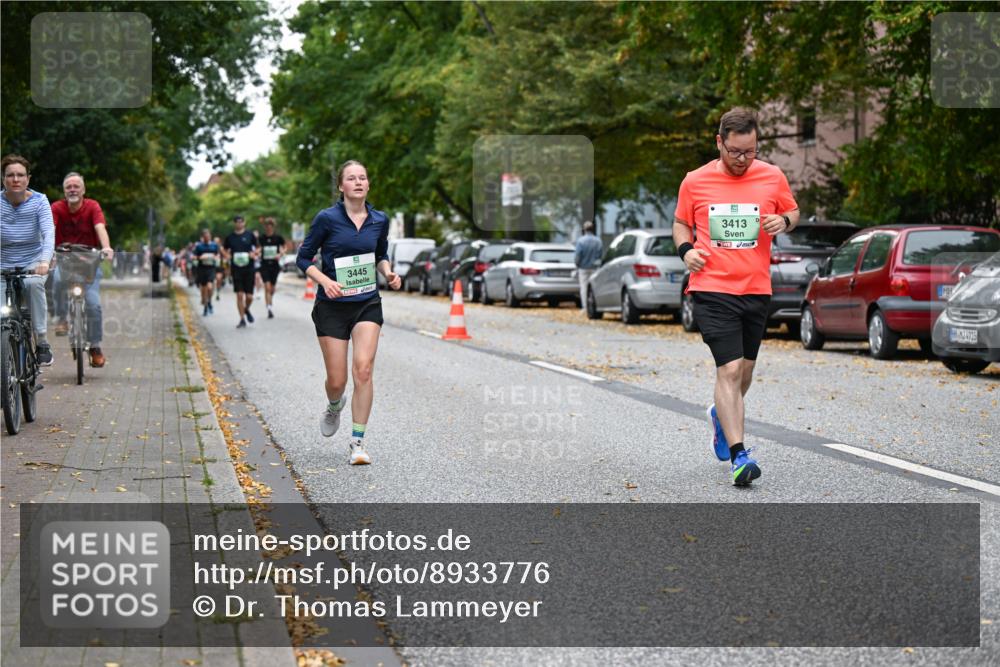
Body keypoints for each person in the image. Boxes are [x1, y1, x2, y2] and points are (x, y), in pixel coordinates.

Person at [673, 107, 799, 486]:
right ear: (720, 143)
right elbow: (681, 222)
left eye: (751, 152)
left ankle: (719, 415)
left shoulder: (772, 176)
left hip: (756, 288)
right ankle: (740, 457)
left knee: (744, 374)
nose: (743, 160)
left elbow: (792, 211)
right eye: (735, 152)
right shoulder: (695, 181)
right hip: (712, 288)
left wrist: (785, 221)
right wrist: (686, 251)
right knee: (728, 369)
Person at [296, 160, 401, 465]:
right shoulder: (326, 219)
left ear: (368, 185)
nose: (358, 182)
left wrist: (389, 272)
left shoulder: (379, 219)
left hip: (367, 302)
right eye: (351, 178)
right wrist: (326, 281)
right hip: (332, 306)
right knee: (338, 381)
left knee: (364, 370)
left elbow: (380, 255)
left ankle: (357, 443)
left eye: (363, 178)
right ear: (341, 186)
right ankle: (333, 405)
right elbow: (303, 259)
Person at [50, 172, 114, 368]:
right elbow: (49, 229)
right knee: (58, 280)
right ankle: (62, 318)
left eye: (76, 186)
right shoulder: (57, 208)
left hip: (89, 264)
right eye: (68, 186)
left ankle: (95, 347)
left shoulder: (92, 206)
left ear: (83, 190)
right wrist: (48, 252)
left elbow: (100, 227)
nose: (72, 189)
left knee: (93, 304)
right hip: (66, 261)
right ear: (64, 191)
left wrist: (106, 247)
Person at [0, 155, 55, 366]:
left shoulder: (40, 201)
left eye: (20, 175)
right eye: (10, 175)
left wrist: (44, 262)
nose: (15, 179)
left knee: (33, 285)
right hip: (2, 264)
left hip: (33, 263)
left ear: (28, 179)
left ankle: (41, 341)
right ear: (3, 179)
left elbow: (48, 233)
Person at [222, 215, 258, 328]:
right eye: (237, 222)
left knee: (249, 297)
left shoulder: (249, 235)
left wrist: (254, 253)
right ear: (234, 223)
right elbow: (223, 248)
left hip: (249, 269)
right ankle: (242, 319)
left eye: (241, 221)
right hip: (236, 269)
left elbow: (258, 247)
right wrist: (227, 255)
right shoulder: (230, 237)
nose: (239, 224)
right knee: (239, 295)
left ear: (244, 222)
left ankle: (246, 309)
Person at [257, 217, 286, 319]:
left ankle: (270, 300)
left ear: (273, 227)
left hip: (274, 266)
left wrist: (280, 254)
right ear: (265, 227)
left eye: (270, 225)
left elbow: (284, 247)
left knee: (272, 289)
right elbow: (258, 248)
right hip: (264, 265)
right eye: (266, 226)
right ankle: (269, 308)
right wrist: (258, 252)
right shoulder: (261, 238)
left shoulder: (278, 238)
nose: (268, 227)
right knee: (267, 287)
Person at [574, 220, 602, 309]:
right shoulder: (598, 241)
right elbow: (600, 254)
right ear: (593, 229)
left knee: (584, 288)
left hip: (583, 268)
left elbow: (578, 255)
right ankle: (595, 306)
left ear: (584, 230)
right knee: (594, 287)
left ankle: (585, 307)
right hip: (595, 267)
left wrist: (577, 265)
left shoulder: (580, 241)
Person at [193, 229, 220, 316]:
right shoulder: (199, 246)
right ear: (203, 237)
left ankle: (209, 301)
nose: (207, 238)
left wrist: (214, 257)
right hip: (201, 269)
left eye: (208, 236)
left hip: (211, 268)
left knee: (210, 287)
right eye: (205, 237)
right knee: (204, 288)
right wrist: (201, 257)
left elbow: (218, 255)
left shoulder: (214, 245)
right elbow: (194, 256)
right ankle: (205, 306)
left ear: (210, 236)